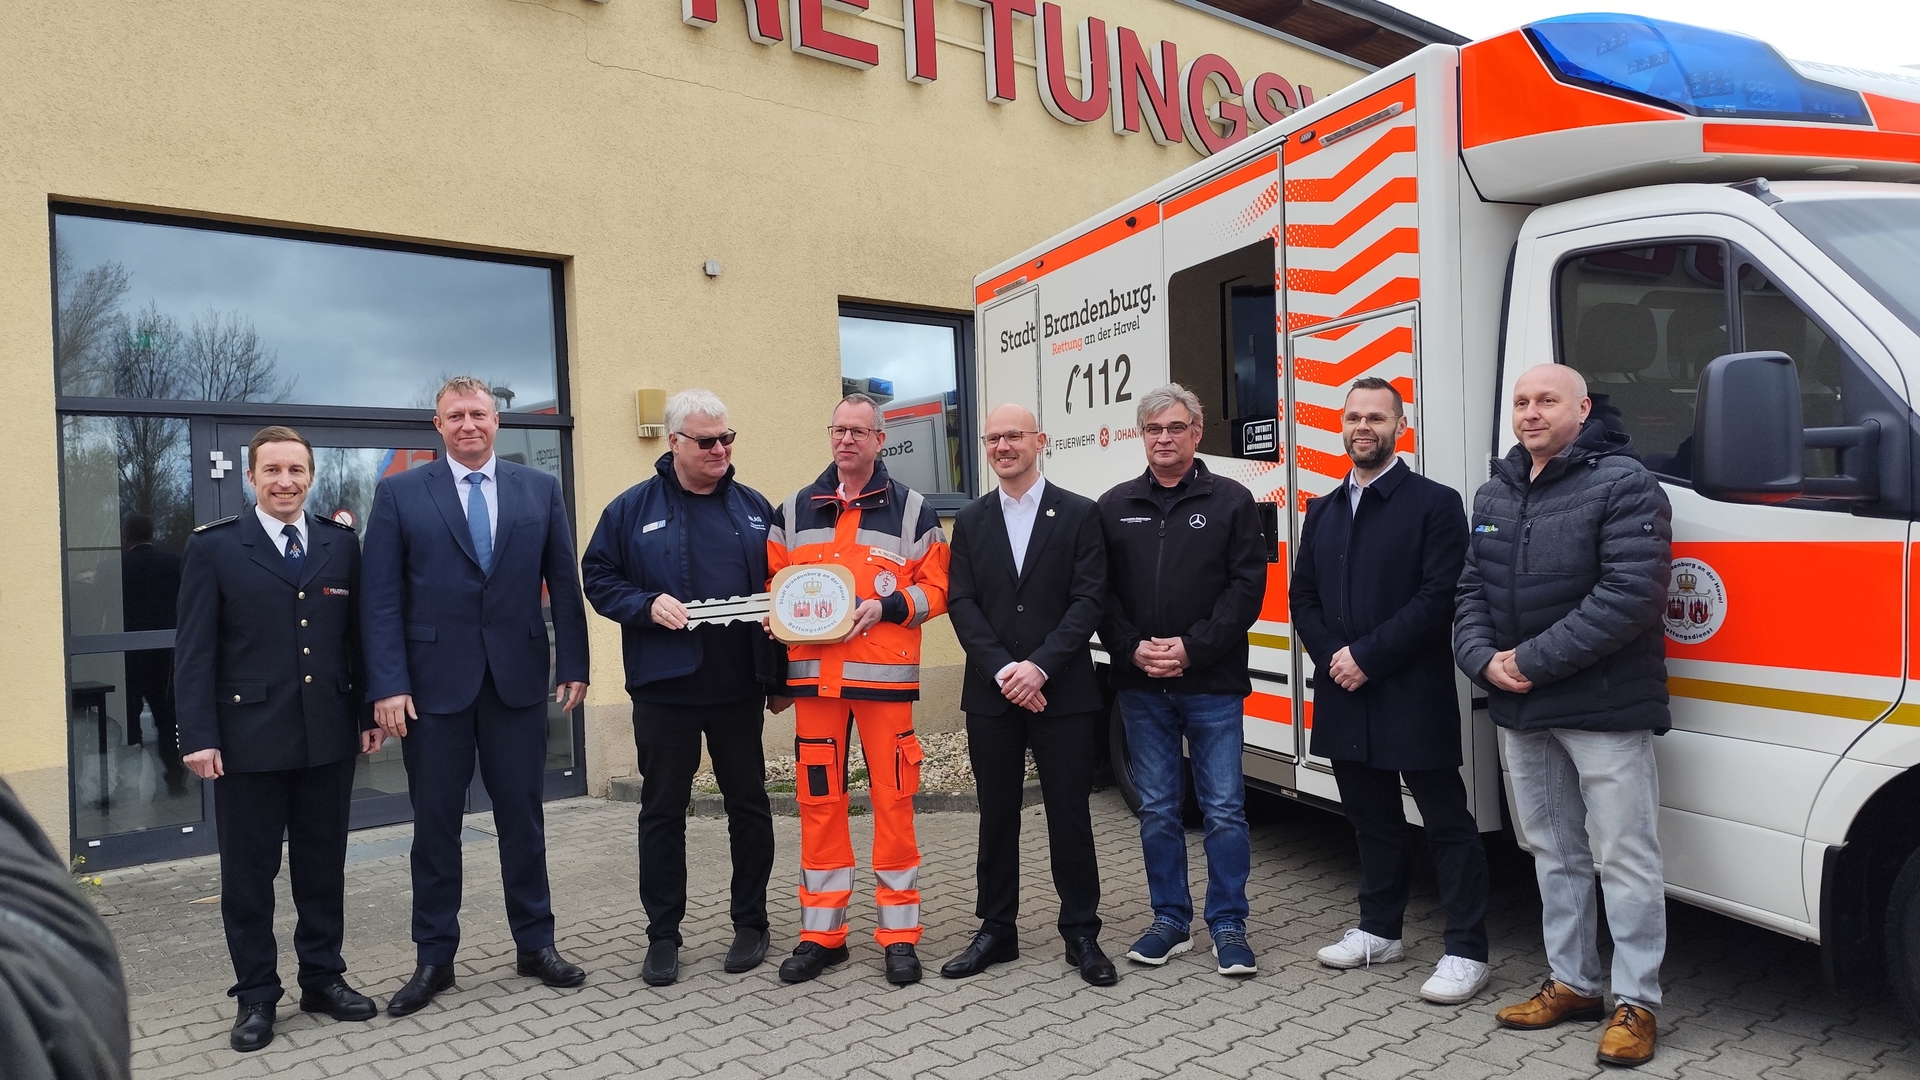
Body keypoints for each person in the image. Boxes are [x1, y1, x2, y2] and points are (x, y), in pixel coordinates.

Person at [1455, 363, 1672, 1068]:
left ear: (1582, 409)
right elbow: (1470, 590)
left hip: (1602, 704)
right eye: (1521, 401)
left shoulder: (1625, 483)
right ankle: (1574, 983)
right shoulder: (1495, 490)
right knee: (1553, 852)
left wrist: (1529, 661)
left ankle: (1637, 1002)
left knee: (1625, 856)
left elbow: (1631, 594)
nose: (1531, 412)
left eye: (1547, 400)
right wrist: (1482, 660)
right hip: (1524, 706)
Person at [361, 376, 592, 1016]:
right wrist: (388, 684)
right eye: (456, 415)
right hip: (432, 690)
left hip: (516, 682)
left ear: (497, 421)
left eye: (479, 414)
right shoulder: (401, 493)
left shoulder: (538, 489)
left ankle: (536, 944)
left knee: (524, 821)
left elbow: (562, 581)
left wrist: (574, 662)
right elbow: (380, 598)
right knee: (435, 828)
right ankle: (435, 959)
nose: (469, 424)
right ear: (437, 425)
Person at [173, 426, 382, 1052]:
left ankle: (322, 979)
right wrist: (198, 735)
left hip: (327, 734)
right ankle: (257, 995)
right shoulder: (214, 547)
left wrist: (367, 711)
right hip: (247, 739)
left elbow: (357, 637)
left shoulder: (340, 544)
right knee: (248, 875)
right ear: (251, 477)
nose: (285, 482)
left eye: (296, 470)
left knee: (322, 866)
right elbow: (194, 651)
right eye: (272, 470)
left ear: (311, 476)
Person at [1291, 378, 1490, 1004]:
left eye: (1376, 417)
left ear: (1401, 426)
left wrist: (1367, 658)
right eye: (1354, 416)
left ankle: (1467, 950)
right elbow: (1303, 598)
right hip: (1344, 690)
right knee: (1371, 820)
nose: (1363, 427)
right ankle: (1380, 930)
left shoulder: (1435, 504)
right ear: (1341, 425)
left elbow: (1438, 597)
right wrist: (1336, 658)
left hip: (1411, 690)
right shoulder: (1322, 510)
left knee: (1446, 822)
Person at [581, 389, 784, 986]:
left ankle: (751, 922)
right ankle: (663, 935)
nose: (721, 449)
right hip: (665, 688)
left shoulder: (755, 508)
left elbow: (784, 587)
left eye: (727, 438)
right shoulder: (630, 509)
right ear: (674, 442)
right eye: (707, 441)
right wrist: (645, 604)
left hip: (739, 686)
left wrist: (779, 673)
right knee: (663, 812)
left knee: (749, 806)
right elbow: (598, 578)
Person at [766, 393, 950, 985]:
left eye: (858, 431)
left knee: (894, 804)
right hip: (816, 685)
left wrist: (889, 606)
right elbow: (773, 583)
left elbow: (939, 588)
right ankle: (822, 935)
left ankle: (899, 936)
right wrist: (775, 614)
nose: (846, 439)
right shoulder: (794, 509)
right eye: (838, 430)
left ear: (879, 439)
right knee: (818, 803)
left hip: (881, 684)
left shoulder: (913, 509)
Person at [940, 403, 1117, 987]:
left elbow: (1089, 600)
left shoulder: (1080, 513)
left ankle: (1082, 932)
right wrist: (1003, 671)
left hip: (1062, 692)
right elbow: (962, 602)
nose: (1002, 446)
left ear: (1040, 441)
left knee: (1070, 814)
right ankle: (997, 930)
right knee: (996, 814)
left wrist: (1039, 668)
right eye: (993, 438)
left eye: (1013, 435)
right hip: (992, 694)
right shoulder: (971, 520)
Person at [1097, 384, 1266, 977]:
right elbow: (1099, 593)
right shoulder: (1114, 505)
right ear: (1141, 436)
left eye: (1175, 428)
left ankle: (1228, 923)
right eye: (1153, 429)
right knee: (1158, 809)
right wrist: (1131, 648)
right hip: (1141, 686)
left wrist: (1193, 649)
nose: (1163, 438)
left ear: (1196, 433)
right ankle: (1169, 920)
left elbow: (1247, 589)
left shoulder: (1232, 501)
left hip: (1212, 684)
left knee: (1224, 809)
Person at [120, 513, 185, 792]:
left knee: (130, 718)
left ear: (125, 538)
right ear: (152, 534)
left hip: (129, 656)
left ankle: (134, 778)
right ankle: (175, 775)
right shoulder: (175, 564)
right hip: (166, 656)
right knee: (167, 718)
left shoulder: (117, 568)